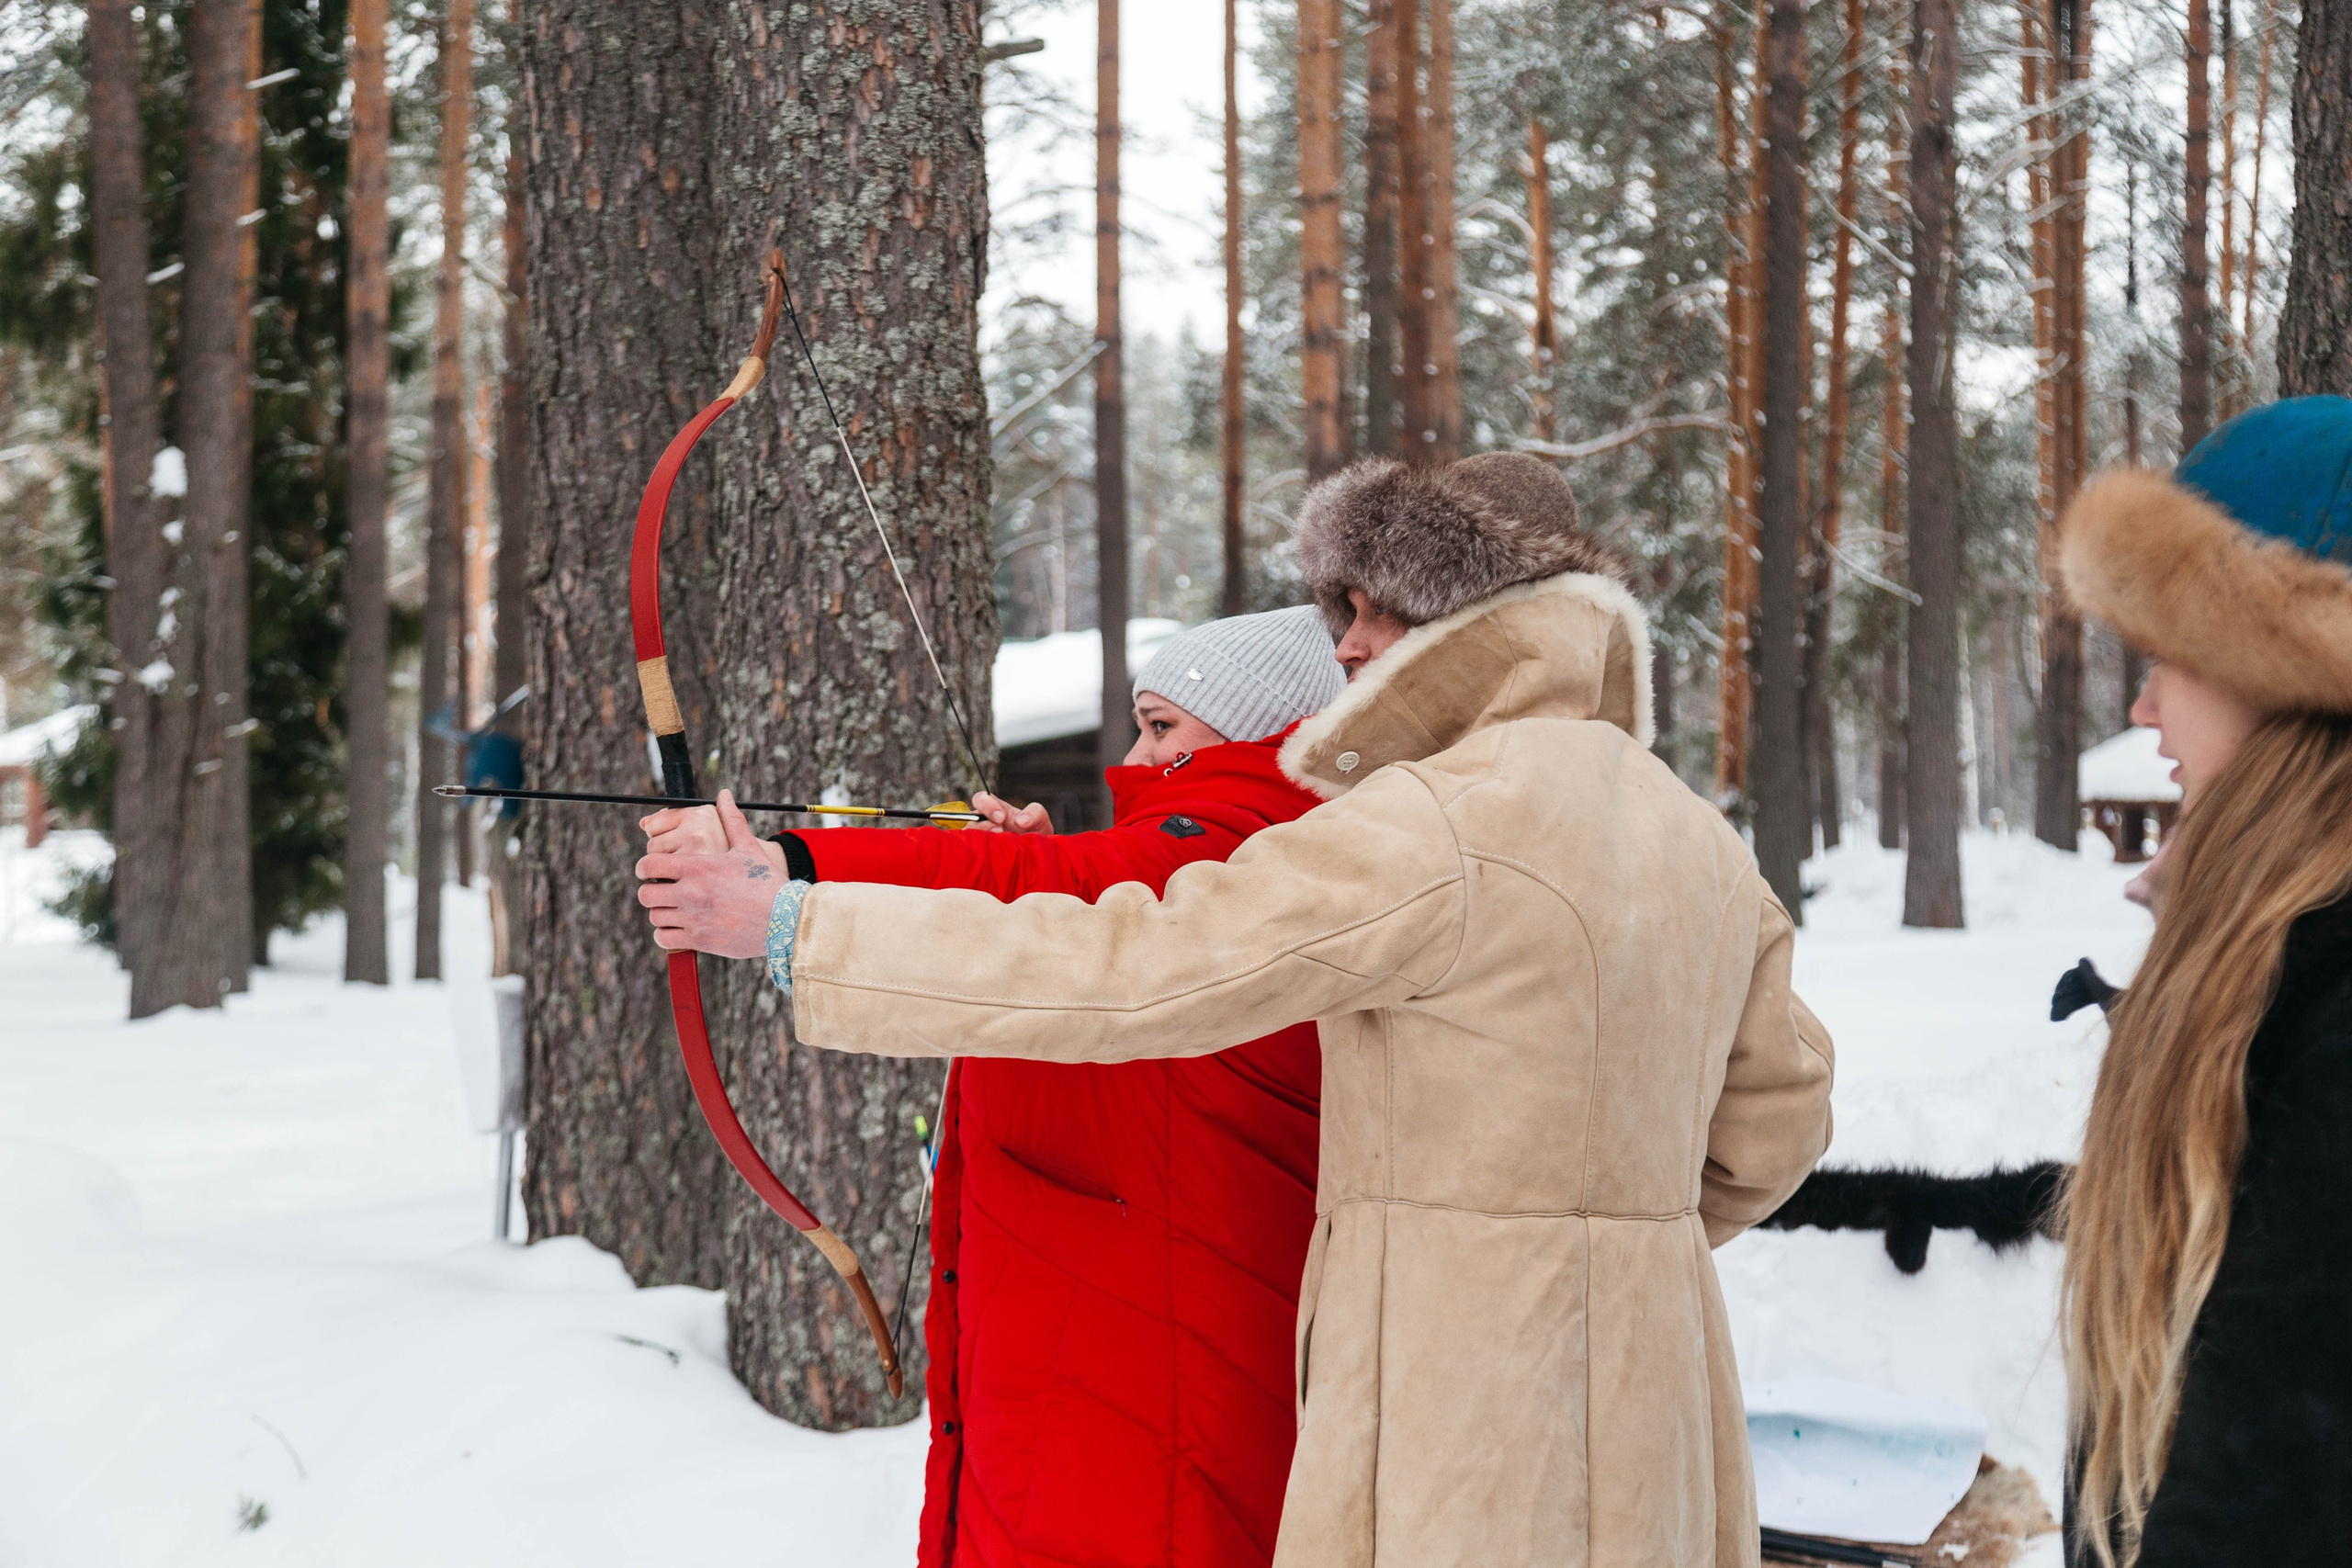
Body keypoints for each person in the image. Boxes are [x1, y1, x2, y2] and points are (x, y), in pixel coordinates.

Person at [641, 452, 1835, 1568]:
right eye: (1343, 612)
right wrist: (1602, 1236)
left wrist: (795, 923)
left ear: (1475, 616)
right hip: (1658, 1402)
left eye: (1378, 612)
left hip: (1466, 1405)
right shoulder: (1693, 835)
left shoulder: (1438, 818)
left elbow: (1150, 963)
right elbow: (1777, 1119)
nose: (1350, 646)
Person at [644, 605, 1345, 1568]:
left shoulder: (1243, 849)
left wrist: (782, 882)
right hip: (1111, 1367)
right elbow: (1072, 915)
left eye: (1161, 726)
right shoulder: (1247, 856)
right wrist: (1042, 863)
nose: (1134, 755)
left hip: (1157, 1389)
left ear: (1262, 731)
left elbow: (1058, 892)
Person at [2053, 395, 2352, 1568]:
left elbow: (2279, 1486)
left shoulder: (2325, 1015)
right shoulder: (2273, 966)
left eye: (2167, 655)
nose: (2142, 707)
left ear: (2282, 666)